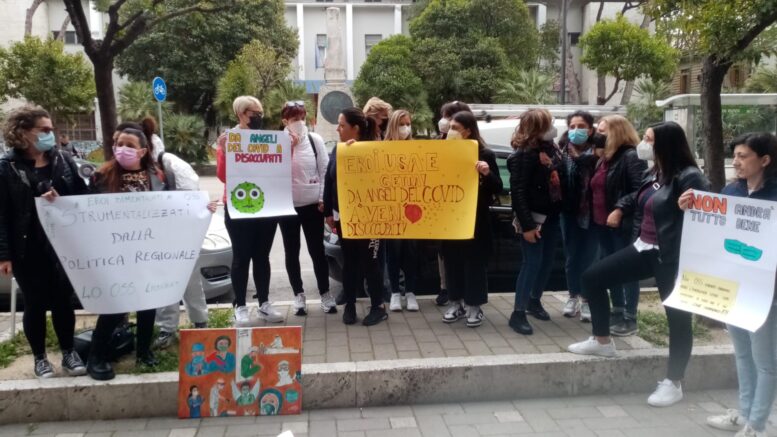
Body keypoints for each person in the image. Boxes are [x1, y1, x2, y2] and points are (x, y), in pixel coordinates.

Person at [568, 121, 710, 408]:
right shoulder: (656, 170)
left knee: (678, 319)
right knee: (592, 278)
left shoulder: (690, 176)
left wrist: (689, 206)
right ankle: (602, 341)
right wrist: (622, 207)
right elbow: (640, 196)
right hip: (643, 247)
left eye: (649, 139)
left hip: (671, 257)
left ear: (666, 144)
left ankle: (674, 382)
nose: (643, 144)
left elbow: (706, 213)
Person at [86, 127, 196, 380]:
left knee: (148, 302)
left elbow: (173, 206)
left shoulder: (157, 175)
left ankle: (144, 351)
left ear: (143, 151)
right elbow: (86, 210)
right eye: (119, 143)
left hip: (148, 251)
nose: (122, 149)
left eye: (130, 145)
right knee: (115, 304)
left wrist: (200, 208)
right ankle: (96, 357)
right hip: (116, 251)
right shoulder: (101, 176)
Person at [694, 133, 777, 437]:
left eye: (743, 156)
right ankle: (744, 414)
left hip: (765, 292)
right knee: (742, 354)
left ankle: (757, 424)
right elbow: (714, 227)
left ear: (764, 160)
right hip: (733, 287)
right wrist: (690, 207)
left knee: (765, 361)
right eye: (736, 156)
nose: (737, 162)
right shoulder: (731, 191)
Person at [0, 105, 89, 378]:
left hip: (62, 246)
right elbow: (1, 214)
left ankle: (69, 352)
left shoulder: (63, 160)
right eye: (45, 130)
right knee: (35, 303)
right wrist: (4, 254)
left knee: (63, 300)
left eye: (52, 129)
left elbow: (81, 197)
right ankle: (39, 358)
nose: (51, 135)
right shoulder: (6, 167)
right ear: (24, 132)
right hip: (27, 248)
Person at [138, 122, 210, 349]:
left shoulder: (169, 163)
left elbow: (191, 196)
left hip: (180, 233)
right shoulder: (134, 169)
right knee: (162, 282)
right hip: (152, 236)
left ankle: (200, 323)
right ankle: (167, 328)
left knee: (190, 280)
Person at [216, 96, 284, 326]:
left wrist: (290, 148)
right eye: (254, 113)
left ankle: (264, 303)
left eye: (260, 113)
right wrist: (224, 151)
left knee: (262, 257)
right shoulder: (229, 139)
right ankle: (240, 306)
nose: (258, 117)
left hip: (266, 207)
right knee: (241, 257)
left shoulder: (268, 140)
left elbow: (279, 168)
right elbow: (222, 175)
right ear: (241, 114)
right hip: (238, 207)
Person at [323, 107, 388, 326]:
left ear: (356, 129)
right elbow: (329, 180)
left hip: (371, 217)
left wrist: (360, 153)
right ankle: (350, 305)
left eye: (342, 125)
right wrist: (328, 211)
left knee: (371, 263)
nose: (338, 129)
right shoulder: (338, 150)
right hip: (344, 217)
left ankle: (378, 307)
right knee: (349, 262)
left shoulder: (374, 149)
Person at [440, 111, 503, 328]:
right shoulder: (443, 152)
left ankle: (474, 306)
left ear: (468, 130)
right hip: (450, 218)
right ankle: (455, 303)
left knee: (474, 263)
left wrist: (486, 173)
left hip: (476, 220)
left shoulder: (485, 154)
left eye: (455, 128)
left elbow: (498, 187)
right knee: (452, 261)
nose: (451, 131)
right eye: (450, 127)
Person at [589, 115, 647, 336]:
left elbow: (640, 190)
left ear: (617, 132)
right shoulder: (605, 158)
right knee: (611, 269)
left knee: (627, 270)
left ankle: (630, 318)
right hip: (602, 224)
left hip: (621, 224)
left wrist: (620, 209)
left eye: (603, 132)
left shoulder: (631, 156)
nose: (598, 135)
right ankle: (618, 310)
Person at [507, 109, 563, 335]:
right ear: (537, 128)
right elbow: (518, 193)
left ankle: (534, 300)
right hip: (533, 217)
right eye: (548, 124)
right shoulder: (523, 155)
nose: (552, 128)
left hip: (551, 215)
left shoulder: (551, 149)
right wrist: (528, 226)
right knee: (532, 263)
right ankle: (518, 313)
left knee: (546, 262)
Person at [277, 101, 336, 316]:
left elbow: (324, 170)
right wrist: (289, 148)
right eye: (295, 119)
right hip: (288, 207)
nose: (300, 123)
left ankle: (325, 294)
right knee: (291, 252)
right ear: (285, 121)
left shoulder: (315, 140)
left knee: (317, 251)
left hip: (312, 206)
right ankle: (298, 295)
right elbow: (274, 172)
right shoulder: (278, 142)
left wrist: (322, 199)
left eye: (302, 118)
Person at [559, 111, 600, 322]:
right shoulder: (560, 152)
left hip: (592, 212)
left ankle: (586, 299)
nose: (576, 130)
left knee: (590, 257)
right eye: (572, 126)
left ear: (590, 130)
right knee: (572, 256)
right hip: (568, 212)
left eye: (581, 126)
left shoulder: (599, 153)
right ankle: (572, 296)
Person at [435, 101, 473, 307]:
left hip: (464, 211)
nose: (446, 122)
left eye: (450, 117)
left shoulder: (475, 149)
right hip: (444, 211)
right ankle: (447, 290)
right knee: (445, 255)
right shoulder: (439, 144)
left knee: (465, 257)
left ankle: (467, 296)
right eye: (445, 117)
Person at [383, 109, 420, 312]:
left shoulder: (417, 148)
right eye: (402, 124)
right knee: (394, 253)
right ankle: (395, 293)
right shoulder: (382, 149)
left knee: (411, 253)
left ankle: (411, 292)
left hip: (414, 209)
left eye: (408, 124)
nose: (406, 128)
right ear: (393, 126)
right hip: (391, 210)